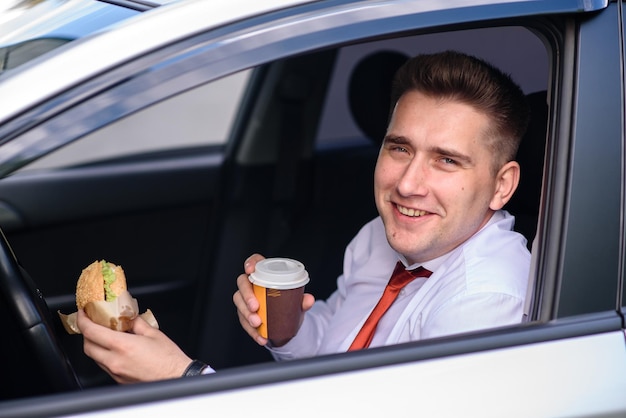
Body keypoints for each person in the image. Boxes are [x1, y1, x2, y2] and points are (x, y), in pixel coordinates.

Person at [77, 50, 531, 382]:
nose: (409, 184)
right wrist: (286, 326)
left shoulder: (483, 303)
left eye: (447, 160)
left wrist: (182, 380)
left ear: (501, 186)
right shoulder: (381, 237)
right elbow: (333, 345)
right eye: (399, 148)